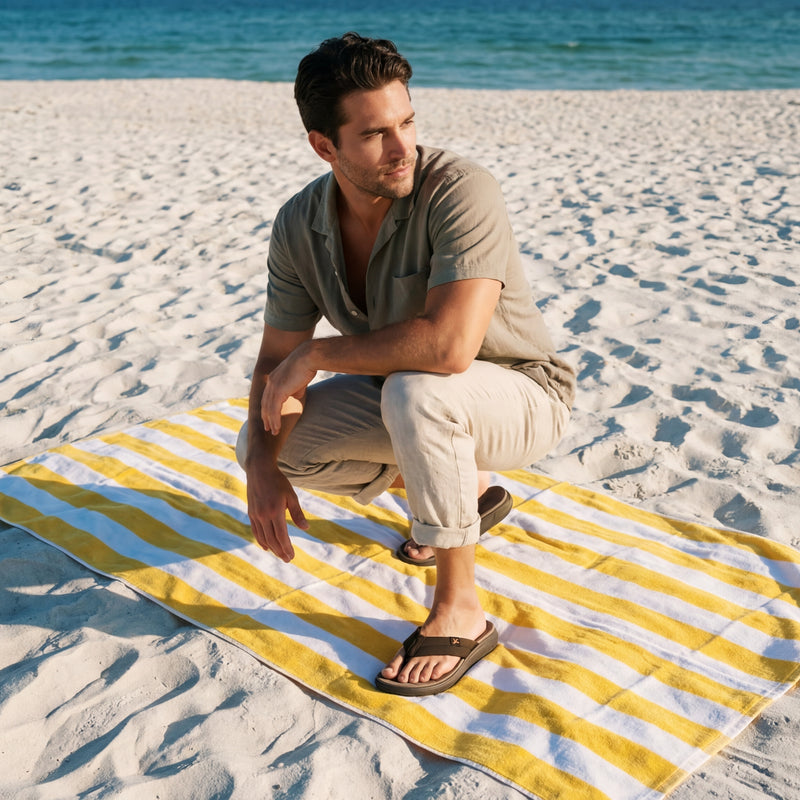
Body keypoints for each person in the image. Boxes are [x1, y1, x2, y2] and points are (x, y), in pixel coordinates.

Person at [236, 32, 575, 696]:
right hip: (409, 397)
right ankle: (464, 491)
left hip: (522, 395)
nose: (402, 147)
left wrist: (319, 353)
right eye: (375, 135)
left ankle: (461, 610)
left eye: (408, 122)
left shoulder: (460, 188)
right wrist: (259, 468)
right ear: (324, 147)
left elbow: (449, 349)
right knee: (271, 436)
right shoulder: (298, 225)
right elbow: (275, 361)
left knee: (421, 390)